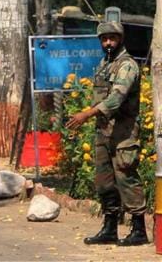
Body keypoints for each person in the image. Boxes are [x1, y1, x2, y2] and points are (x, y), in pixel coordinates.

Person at [65, 21, 147, 246]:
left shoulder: (127, 65)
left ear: (120, 39)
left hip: (123, 132)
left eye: (112, 38)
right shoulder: (104, 64)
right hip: (104, 132)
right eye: (104, 38)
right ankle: (110, 228)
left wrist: (87, 114)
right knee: (104, 182)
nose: (108, 42)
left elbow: (117, 98)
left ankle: (139, 230)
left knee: (126, 178)